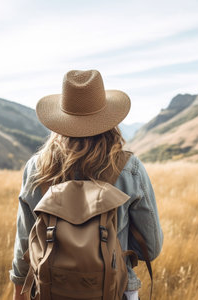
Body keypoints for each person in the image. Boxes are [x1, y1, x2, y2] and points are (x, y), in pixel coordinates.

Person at [10, 70, 163, 300]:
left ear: (60, 120)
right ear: (108, 119)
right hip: (117, 290)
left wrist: (19, 291)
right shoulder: (129, 168)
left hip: (50, 290)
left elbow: (25, 242)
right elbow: (151, 248)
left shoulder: (36, 168)